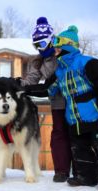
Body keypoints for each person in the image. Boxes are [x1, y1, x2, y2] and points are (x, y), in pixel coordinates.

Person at [33, 25, 98, 190]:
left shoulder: (88, 63)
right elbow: (46, 89)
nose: (55, 49)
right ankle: (85, 177)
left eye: (58, 45)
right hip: (74, 120)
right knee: (80, 149)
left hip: (94, 116)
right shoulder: (59, 71)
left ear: (68, 45)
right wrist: (20, 88)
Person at [16, 17, 73, 182]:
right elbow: (31, 81)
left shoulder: (61, 53)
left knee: (76, 135)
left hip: (74, 100)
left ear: (50, 41)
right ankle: (61, 171)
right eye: (36, 45)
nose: (39, 49)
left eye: (41, 44)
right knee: (59, 135)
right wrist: (18, 83)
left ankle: (81, 169)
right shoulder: (38, 62)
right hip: (57, 102)